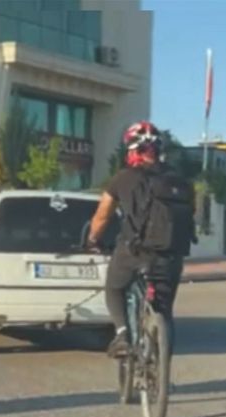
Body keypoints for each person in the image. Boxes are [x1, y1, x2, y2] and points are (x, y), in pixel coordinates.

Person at [86, 121, 195, 358]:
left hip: (133, 252)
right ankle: (163, 358)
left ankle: (123, 334)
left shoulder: (122, 178)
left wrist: (93, 239)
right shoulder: (180, 181)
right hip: (171, 255)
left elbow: (102, 216)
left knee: (114, 288)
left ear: (132, 150)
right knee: (164, 311)